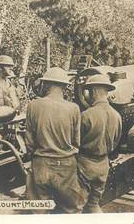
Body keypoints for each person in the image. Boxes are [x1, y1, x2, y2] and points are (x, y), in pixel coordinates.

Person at [25, 67, 85, 214]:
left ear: (46, 84)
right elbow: (76, 141)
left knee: (39, 211)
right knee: (71, 210)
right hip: (66, 165)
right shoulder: (74, 108)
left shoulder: (33, 105)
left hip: (41, 164)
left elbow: (29, 141)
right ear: (65, 86)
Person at [77, 74, 122, 213]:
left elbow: (75, 142)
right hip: (103, 165)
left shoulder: (86, 115)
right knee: (93, 204)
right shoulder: (117, 116)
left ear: (94, 91)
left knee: (76, 206)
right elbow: (116, 141)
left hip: (85, 165)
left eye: (88, 91)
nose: (87, 95)